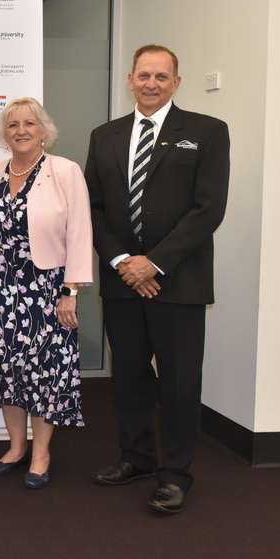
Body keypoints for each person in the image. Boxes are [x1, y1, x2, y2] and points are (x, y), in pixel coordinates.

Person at [85, 44, 229, 514]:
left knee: (180, 383)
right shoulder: (104, 136)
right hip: (123, 282)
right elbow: (96, 209)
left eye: (161, 77)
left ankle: (176, 474)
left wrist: (155, 263)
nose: (151, 84)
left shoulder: (207, 132)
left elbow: (208, 210)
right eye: (144, 75)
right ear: (130, 79)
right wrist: (127, 261)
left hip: (179, 283)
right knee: (128, 379)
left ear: (177, 82)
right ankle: (138, 458)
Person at [0, 97, 93, 489]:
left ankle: (41, 453)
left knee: (43, 373)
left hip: (46, 290)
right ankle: (16, 447)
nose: (20, 130)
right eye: (12, 124)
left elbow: (79, 232)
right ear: (3, 133)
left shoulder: (65, 171)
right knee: (6, 369)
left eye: (29, 123)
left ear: (43, 131)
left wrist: (71, 290)